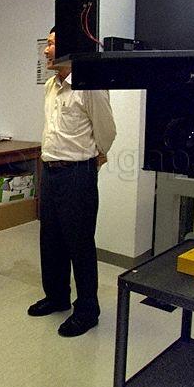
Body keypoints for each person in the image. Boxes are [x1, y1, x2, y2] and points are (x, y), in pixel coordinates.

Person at [27, 27, 116, 337]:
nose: (46, 51)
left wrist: (97, 156)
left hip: (78, 173)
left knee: (79, 244)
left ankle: (88, 310)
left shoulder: (89, 85)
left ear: (69, 49)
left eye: (51, 44)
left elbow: (107, 130)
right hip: (50, 170)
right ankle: (57, 297)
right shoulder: (51, 85)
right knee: (50, 240)